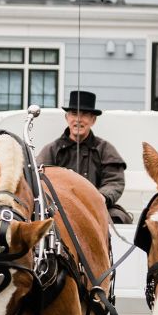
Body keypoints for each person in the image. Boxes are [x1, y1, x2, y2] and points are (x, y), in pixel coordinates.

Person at [36, 90, 133, 224]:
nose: (78, 119)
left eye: (85, 114)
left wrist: (99, 197)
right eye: (74, 113)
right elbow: (38, 180)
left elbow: (114, 182)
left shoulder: (105, 149)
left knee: (118, 218)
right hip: (59, 210)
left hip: (96, 207)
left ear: (93, 120)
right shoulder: (51, 150)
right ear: (67, 117)